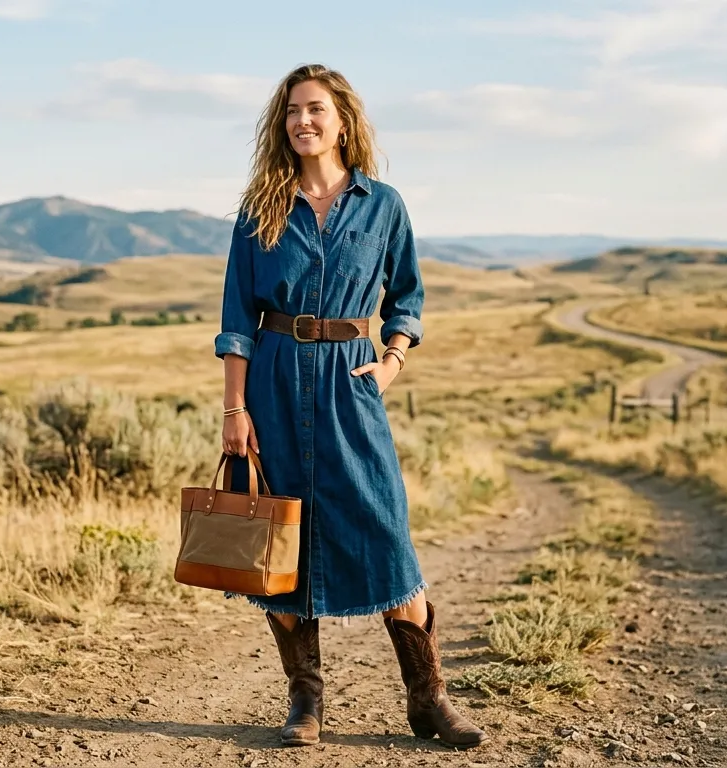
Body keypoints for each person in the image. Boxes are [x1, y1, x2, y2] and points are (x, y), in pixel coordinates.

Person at [214, 63, 488, 750]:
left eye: (315, 109)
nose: (302, 121)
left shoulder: (383, 204)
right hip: (275, 382)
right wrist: (234, 410)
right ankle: (305, 703)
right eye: (291, 111)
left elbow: (409, 300)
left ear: (342, 119)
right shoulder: (260, 209)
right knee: (282, 540)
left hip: (349, 382)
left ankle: (429, 700)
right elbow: (237, 320)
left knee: (385, 530)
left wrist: (392, 360)